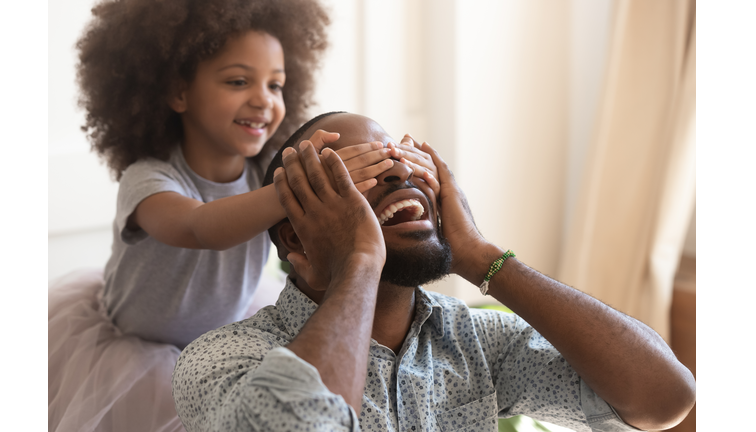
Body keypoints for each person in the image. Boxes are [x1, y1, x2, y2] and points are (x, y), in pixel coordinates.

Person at [172, 112, 697, 432]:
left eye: (397, 158)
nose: (399, 171)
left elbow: (663, 398)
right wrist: (358, 261)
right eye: (360, 172)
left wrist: (477, 254)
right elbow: (303, 421)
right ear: (294, 238)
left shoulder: (476, 340)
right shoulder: (222, 361)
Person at [47, 3, 430, 431]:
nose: (263, 100)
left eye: (276, 84)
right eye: (238, 81)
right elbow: (199, 226)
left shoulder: (267, 170)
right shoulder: (148, 178)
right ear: (178, 92)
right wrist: (299, 185)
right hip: (135, 353)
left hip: (222, 343)